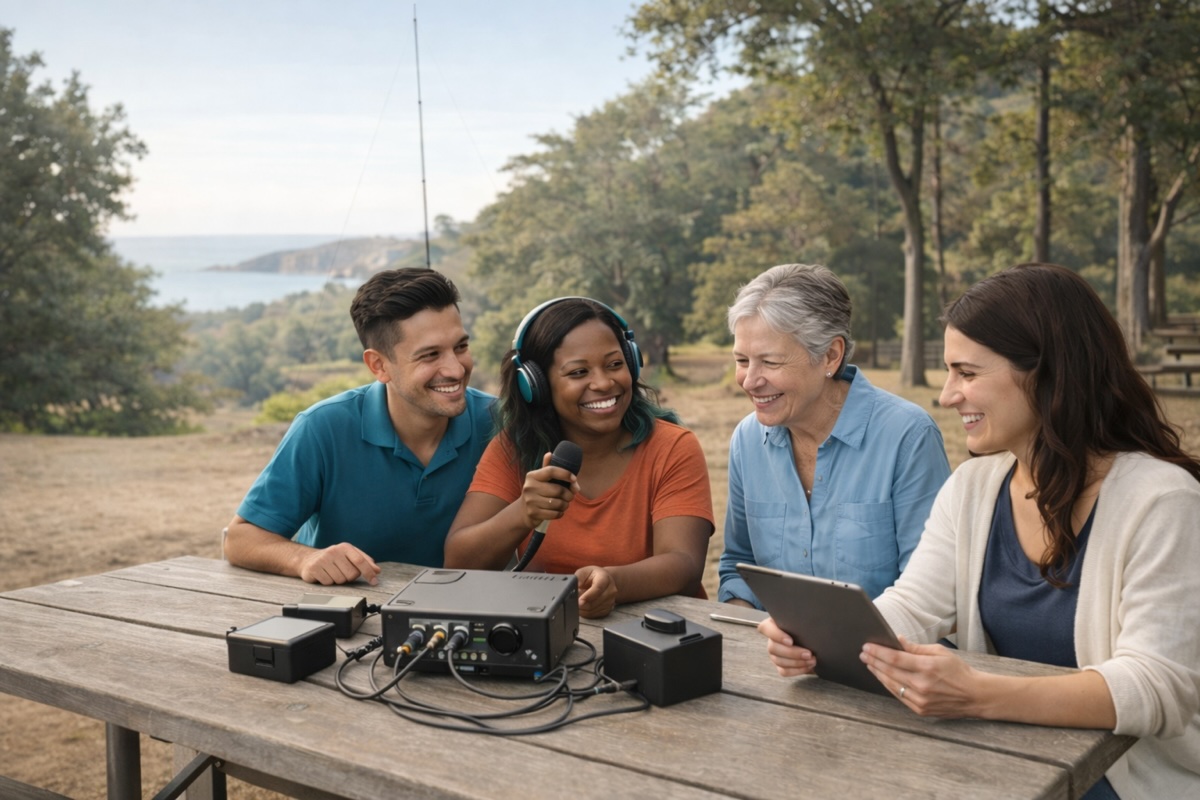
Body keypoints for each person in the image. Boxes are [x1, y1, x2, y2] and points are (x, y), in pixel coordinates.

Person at [760, 263, 1200, 799]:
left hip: (1125, 780)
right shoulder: (973, 488)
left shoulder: (1161, 500)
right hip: (1000, 767)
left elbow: (1158, 686)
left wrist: (978, 695)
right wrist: (816, 635)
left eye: (967, 374)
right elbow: (913, 607)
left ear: (1047, 373)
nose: (947, 396)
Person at [444, 297, 714, 618]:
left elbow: (684, 564)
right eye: (579, 372)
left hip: (656, 635)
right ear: (536, 385)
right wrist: (522, 513)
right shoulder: (513, 448)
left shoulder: (673, 447)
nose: (603, 383)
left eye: (615, 364)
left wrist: (614, 583)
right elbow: (458, 563)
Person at [223, 268, 495, 586]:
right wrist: (304, 558)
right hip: (353, 623)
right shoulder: (322, 428)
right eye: (430, 355)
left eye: (460, 347)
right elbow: (240, 538)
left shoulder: (501, 421)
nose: (455, 368)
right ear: (378, 365)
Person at [719, 263, 951, 608]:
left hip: (887, 658)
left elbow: (932, 596)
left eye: (770, 362)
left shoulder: (908, 437)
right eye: (742, 360)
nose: (750, 380)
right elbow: (738, 567)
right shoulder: (747, 440)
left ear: (830, 355)